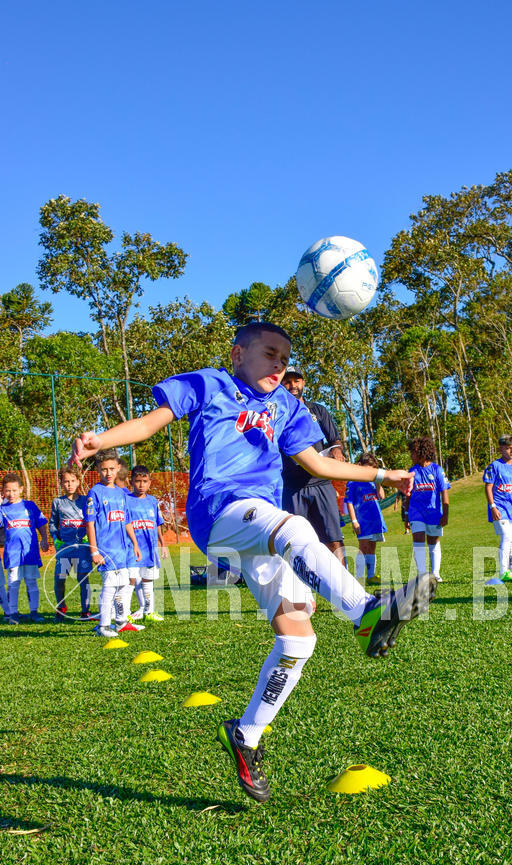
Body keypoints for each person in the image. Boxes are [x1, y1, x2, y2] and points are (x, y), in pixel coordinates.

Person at [71, 321, 436, 803]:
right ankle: (365, 611)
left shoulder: (287, 406)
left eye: (285, 358)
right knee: (295, 528)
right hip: (219, 510)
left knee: (298, 638)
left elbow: (320, 465)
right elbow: (150, 421)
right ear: (238, 352)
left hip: (258, 527)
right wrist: (103, 440)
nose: (279, 365)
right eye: (270, 353)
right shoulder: (209, 383)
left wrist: (384, 474)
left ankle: (245, 735)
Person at [280, 365, 347, 564]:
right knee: (296, 543)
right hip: (292, 488)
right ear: (281, 383)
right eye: (288, 381)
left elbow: (335, 439)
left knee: (333, 539)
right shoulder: (276, 412)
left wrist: (336, 449)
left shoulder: (318, 410)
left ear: (303, 383)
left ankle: (346, 584)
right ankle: (301, 588)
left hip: (321, 483)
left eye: (296, 381)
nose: (292, 385)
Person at [84, 449, 143, 637]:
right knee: (109, 586)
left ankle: (120, 621)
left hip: (123, 550)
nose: (108, 473)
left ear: (118, 468)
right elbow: (90, 523)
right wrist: (94, 551)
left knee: (123, 585)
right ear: (98, 470)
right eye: (103, 469)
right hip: (106, 550)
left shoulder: (121, 493)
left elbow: (126, 521)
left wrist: (134, 543)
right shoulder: (95, 492)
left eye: (111, 469)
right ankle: (103, 626)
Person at [0, 473, 49, 624]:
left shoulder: (30, 505)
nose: (11, 494)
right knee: (13, 582)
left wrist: (44, 539)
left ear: (21, 489)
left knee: (31, 582)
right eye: (8, 491)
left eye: (14, 490)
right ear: (3, 491)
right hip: (13, 552)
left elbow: (41, 523)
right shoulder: (2, 509)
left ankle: (34, 611)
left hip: (30, 552)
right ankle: (13, 613)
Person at [123, 464, 169, 623]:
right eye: (137, 481)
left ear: (150, 482)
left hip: (150, 549)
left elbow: (157, 523)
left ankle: (149, 611)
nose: (141, 485)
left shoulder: (152, 501)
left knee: (148, 580)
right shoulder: (126, 500)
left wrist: (163, 544)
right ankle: (126, 613)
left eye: (144, 481)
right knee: (132, 580)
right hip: (132, 549)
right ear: (131, 482)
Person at [483, 434, 512, 582]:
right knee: (506, 537)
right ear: (501, 449)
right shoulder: (495, 466)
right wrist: (492, 506)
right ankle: (503, 571)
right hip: (499, 509)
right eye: (508, 448)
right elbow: (488, 487)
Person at [49, 464, 93, 621]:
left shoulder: (86, 501)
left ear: (78, 481)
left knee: (83, 579)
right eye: (66, 481)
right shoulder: (57, 502)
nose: (70, 484)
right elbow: (53, 523)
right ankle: (61, 607)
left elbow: (92, 522)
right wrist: (56, 540)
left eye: (73, 481)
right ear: (61, 483)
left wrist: (89, 537)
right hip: (65, 548)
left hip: (83, 548)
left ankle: (85, 611)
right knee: (59, 578)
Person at [407, 437, 450, 583]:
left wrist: (445, 513)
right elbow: (408, 494)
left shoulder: (437, 470)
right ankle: (422, 574)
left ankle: (435, 573)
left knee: (433, 541)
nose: (411, 456)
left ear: (421, 452)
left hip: (433, 513)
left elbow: (444, 492)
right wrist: (406, 515)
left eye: (413, 452)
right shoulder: (412, 471)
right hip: (416, 512)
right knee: (418, 539)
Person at [345, 452, 387, 585]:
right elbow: (349, 502)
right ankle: (358, 577)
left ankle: (371, 576)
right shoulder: (352, 483)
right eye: (368, 468)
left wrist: (378, 483)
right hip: (362, 521)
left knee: (372, 547)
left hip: (375, 519)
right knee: (363, 547)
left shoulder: (372, 482)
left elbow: (381, 496)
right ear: (359, 465)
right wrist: (354, 521)